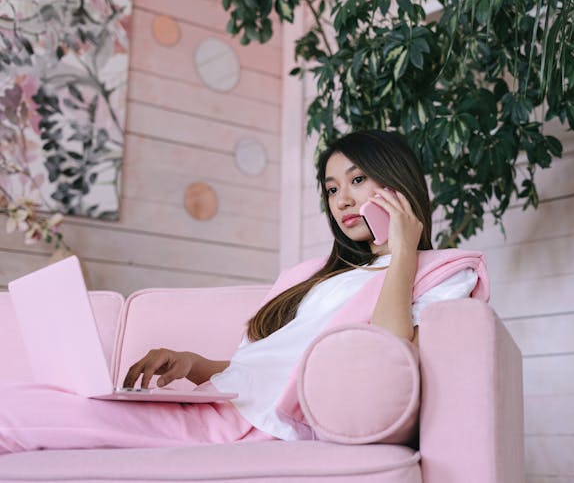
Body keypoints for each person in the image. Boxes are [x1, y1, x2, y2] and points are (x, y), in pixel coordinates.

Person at [0, 129, 487, 453]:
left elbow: (381, 363)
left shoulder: (441, 272)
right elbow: (262, 369)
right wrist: (196, 365)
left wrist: (402, 250)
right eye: (331, 188)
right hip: (219, 404)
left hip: (255, 428)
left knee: (13, 414)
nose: (342, 200)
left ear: (398, 183)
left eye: (357, 180)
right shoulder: (311, 274)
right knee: (32, 396)